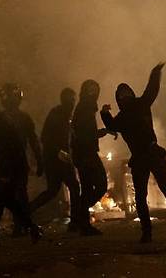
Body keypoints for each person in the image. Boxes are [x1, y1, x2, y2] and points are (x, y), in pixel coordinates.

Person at [100, 62, 166, 243]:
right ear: (119, 99)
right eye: (121, 95)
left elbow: (152, 89)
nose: (124, 97)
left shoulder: (141, 104)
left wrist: (155, 72)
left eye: (126, 93)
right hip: (142, 157)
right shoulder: (126, 114)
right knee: (142, 196)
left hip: (151, 153)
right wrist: (105, 114)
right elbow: (111, 126)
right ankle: (148, 231)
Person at [0, 96, 42, 246]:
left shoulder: (0, 122)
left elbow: (9, 145)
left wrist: (7, 171)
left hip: (10, 166)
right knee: (9, 201)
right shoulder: (0, 120)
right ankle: (31, 228)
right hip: (14, 165)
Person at [29, 88, 81, 231]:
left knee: (53, 190)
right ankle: (76, 221)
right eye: (70, 99)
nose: (72, 102)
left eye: (73, 99)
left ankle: (27, 211)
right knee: (73, 187)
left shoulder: (65, 115)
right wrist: (59, 152)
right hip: (56, 159)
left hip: (58, 158)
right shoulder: (57, 114)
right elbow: (46, 137)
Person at [0, 83, 43, 236]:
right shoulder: (22, 117)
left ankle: (20, 225)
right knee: (19, 193)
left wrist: (39, 159)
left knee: (15, 194)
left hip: (9, 161)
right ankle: (23, 225)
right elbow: (33, 140)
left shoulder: (3, 117)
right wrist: (39, 159)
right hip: (14, 160)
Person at [71, 79, 112, 236]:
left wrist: (104, 131)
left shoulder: (85, 108)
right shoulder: (85, 108)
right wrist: (104, 131)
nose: (93, 94)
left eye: (95, 90)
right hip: (86, 154)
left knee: (87, 189)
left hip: (83, 153)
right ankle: (80, 218)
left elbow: (86, 134)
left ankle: (83, 223)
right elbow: (85, 135)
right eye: (90, 90)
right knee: (100, 185)